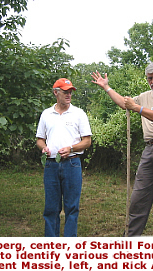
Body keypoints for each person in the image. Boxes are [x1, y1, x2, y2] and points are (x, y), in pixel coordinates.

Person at [91, 62, 153, 236]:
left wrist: (138, 108)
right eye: (150, 78)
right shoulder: (145, 96)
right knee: (138, 200)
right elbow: (125, 103)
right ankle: (130, 244)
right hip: (149, 148)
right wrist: (107, 88)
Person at [36, 78, 92, 237]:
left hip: (72, 164)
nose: (68, 95)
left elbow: (87, 141)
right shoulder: (46, 114)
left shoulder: (78, 114)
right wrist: (43, 148)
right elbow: (39, 139)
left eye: (70, 92)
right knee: (51, 208)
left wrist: (72, 148)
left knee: (72, 207)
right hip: (51, 165)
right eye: (65, 92)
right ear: (56, 93)